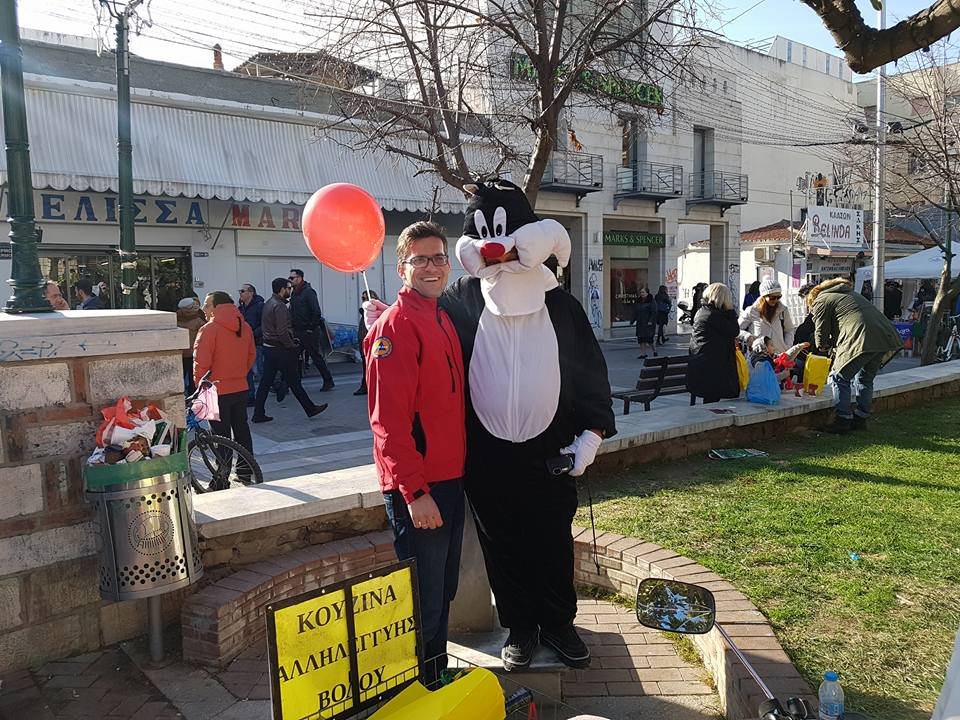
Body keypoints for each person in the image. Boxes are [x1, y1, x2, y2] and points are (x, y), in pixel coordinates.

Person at [366, 180, 615, 673]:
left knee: (552, 540)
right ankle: (521, 626)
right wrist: (382, 318)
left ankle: (559, 624)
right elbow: (416, 331)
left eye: (437, 257)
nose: (499, 251)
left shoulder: (562, 306)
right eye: (422, 260)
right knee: (502, 545)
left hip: (551, 449)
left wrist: (591, 434)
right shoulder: (462, 299)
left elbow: (590, 371)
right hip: (486, 456)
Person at [364, 221, 466, 683]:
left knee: (441, 590)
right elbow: (388, 423)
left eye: (438, 257)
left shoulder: (441, 315)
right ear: (402, 267)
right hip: (421, 489)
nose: (431, 266)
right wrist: (414, 491)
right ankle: (418, 688)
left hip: (450, 479)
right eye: (420, 259)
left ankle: (436, 678)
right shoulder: (397, 326)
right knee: (421, 599)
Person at [807, 278, 903, 434]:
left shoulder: (822, 299)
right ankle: (860, 418)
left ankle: (842, 420)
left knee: (839, 377)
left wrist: (822, 346)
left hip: (861, 337)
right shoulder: (850, 294)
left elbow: (821, 328)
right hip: (883, 337)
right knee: (865, 378)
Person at [192, 292, 257, 480]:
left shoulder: (209, 329)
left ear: (217, 307)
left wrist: (199, 388)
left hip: (215, 390)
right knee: (242, 431)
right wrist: (238, 374)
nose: (203, 309)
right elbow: (251, 355)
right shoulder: (244, 326)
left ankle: (221, 478)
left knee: (220, 436)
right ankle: (245, 472)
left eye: (206, 304)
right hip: (240, 386)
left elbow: (201, 362)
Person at [252, 278, 328, 424]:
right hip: (280, 350)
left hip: (269, 349)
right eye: (288, 288)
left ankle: (259, 412)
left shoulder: (269, 303)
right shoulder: (279, 306)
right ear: (282, 289)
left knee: (266, 382)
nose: (290, 290)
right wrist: (291, 345)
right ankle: (309, 408)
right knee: (294, 381)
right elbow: (281, 331)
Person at [687, 282, 740, 404]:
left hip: (705, 366)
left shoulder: (705, 312)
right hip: (710, 369)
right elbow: (734, 330)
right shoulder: (712, 315)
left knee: (712, 398)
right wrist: (731, 310)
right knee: (712, 398)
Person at [288, 268, 334, 392]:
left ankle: (328, 380)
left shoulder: (308, 292)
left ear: (300, 278)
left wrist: (310, 328)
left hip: (309, 331)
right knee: (293, 357)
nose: (290, 280)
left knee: (315, 357)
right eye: (290, 278)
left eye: (292, 278)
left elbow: (316, 311)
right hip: (297, 330)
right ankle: (292, 384)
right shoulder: (294, 293)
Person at [738, 278, 795, 356]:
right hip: (759, 357)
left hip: (780, 357)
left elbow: (789, 330)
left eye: (778, 297)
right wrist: (748, 337)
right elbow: (736, 329)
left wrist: (787, 347)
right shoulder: (752, 311)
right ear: (763, 296)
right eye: (772, 297)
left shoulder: (783, 310)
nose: (776, 300)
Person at [238, 284, 265, 406]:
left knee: (259, 370)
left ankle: (277, 384)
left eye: (243, 291)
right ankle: (250, 396)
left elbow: (264, 324)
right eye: (240, 291)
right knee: (247, 370)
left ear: (251, 293)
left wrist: (253, 334)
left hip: (257, 342)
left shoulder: (260, 306)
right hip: (244, 344)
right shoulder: (241, 308)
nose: (240, 293)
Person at [176, 297, 205, 396]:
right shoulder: (198, 319)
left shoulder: (175, 317)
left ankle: (180, 396)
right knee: (193, 377)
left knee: (179, 377)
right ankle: (194, 396)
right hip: (193, 353)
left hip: (179, 353)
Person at [354, 290, 379, 396]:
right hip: (364, 340)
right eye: (362, 298)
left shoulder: (376, 310)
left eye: (365, 298)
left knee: (373, 366)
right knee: (366, 365)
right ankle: (366, 385)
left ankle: (367, 386)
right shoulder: (365, 311)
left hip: (373, 341)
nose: (363, 300)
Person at [630, 287, 657, 358]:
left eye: (643, 292)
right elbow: (635, 312)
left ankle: (654, 350)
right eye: (641, 292)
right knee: (641, 339)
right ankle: (643, 354)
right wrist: (632, 321)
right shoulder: (638, 301)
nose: (642, 294)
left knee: (649, 339)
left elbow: (654, 312)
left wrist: (650, 321)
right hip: (640, 323)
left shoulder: (651, 301)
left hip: (648, 323)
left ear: (647, 293)